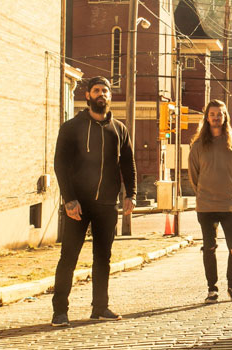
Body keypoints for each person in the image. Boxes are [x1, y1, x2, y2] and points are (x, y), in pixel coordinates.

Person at [51, 76, 137, 326]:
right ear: (87, 95)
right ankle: (60, 311)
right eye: (97, 90)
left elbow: (128, 164)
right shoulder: (71, 127)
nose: (102, 95)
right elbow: (60, 165)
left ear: (110, 96)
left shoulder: (119, 129)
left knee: (103, 258)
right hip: (78, 204)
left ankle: (100, 307)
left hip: (107, 205)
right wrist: (69, 199)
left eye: (106, 91)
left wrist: (130, 194)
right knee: (69, 257)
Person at [188, 100, 232, 304]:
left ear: (225, 117)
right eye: (212, 114)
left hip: (229, 205)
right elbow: (194, 176)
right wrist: (203, 193)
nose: (215, 117)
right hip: (206, 206)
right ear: (207, 117)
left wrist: (231, 191)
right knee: (209, 248)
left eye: (219, 114)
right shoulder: (198, 146)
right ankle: (212, 289)